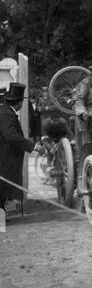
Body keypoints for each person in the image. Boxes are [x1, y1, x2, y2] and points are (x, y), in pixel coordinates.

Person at [0, 83, 42, 217]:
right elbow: (11, 136)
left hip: (6, 158)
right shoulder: (6, 114)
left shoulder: (6, 111)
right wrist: (33, 146)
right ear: (18, 103)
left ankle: (2, 222)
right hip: (4, 159)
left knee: (2, 193)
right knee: (1, 192)